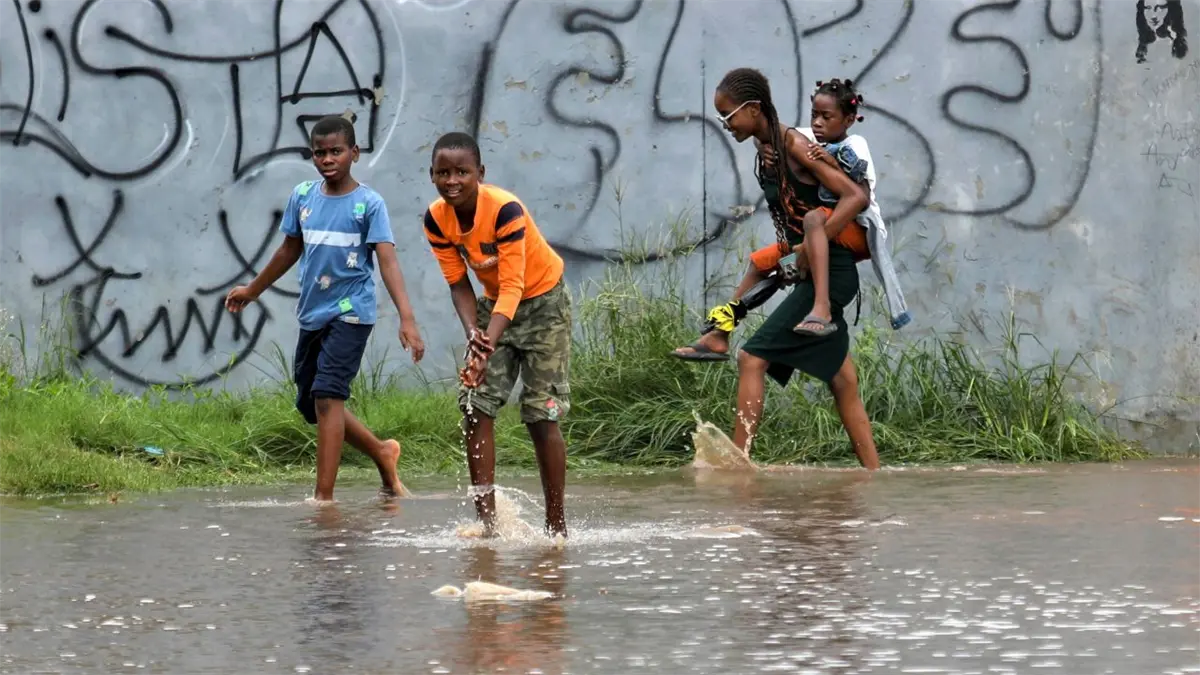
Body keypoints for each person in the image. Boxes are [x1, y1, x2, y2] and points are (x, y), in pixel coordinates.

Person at [676, 67, 881, 469]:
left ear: (753, 109)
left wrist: (806, 250)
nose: (725, 125)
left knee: (751, 358)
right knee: (843, 381)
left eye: (728, 116)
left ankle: (739, 462)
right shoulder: (767, 145)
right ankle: (874, 475)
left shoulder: (797, 147)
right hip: (813, 262)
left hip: (831, 269)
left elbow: (855, 196)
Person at [225, 114, 426, 503]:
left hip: (352, 312)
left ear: (355, 152)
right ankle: (383, 452)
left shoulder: (369, 204)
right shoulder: (303, 197)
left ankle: (323, 499)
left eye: (336, 151)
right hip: (313, 312)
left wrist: (407, 318)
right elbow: (289, 249)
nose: (327, 159)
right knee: (310, 403)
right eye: (320, 152)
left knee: (328, 397)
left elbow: (387, 261)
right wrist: (253, 289)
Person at [421, 131, 571, 538]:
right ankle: (487, 523)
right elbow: (458, 284)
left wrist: (486, 340)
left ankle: (556, 525)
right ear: (432, 175)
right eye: (443, 173)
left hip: (543, 305)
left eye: (462, 172)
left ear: (480, 173)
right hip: (493, 308)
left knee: (541, 413)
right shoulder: (436, 218)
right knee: (474, 403)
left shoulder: (505, 210)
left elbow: (514, 285)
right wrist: (475, 334)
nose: (452, 181)